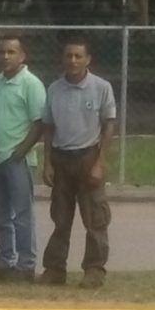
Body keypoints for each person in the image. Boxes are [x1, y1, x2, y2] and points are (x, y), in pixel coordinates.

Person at [40, 35, 116, 289]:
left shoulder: (101, 87)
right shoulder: (54, 89)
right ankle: (54, 269)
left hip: (88, 157)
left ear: (88, 59)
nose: (73, 61)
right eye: (68, 56)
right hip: (62, 158)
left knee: (95, 218)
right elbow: (48, 128)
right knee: (60, 218)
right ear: (62, 59)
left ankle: (94, 270)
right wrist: (47, 163)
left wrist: (99, 163)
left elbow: (108, 126)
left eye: (78, 56)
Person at [0, 34, 47, 283]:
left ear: (22, 55)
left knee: (22, 214)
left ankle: (26, 265)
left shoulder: (31, 84)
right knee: (1, 215)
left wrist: (21, 152)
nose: (6, 56)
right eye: (2, 52)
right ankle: (5, 261)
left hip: (18, 161)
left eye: (11, 52)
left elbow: (39, 123)